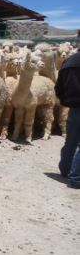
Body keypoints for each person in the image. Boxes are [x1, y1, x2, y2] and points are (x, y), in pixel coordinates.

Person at [55, 47, 80, 188]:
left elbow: (59, 87)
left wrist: (65, 101)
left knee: (70, 141)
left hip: (74, 109)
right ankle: (76, 178)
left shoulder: (69, 61)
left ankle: (65, 170)